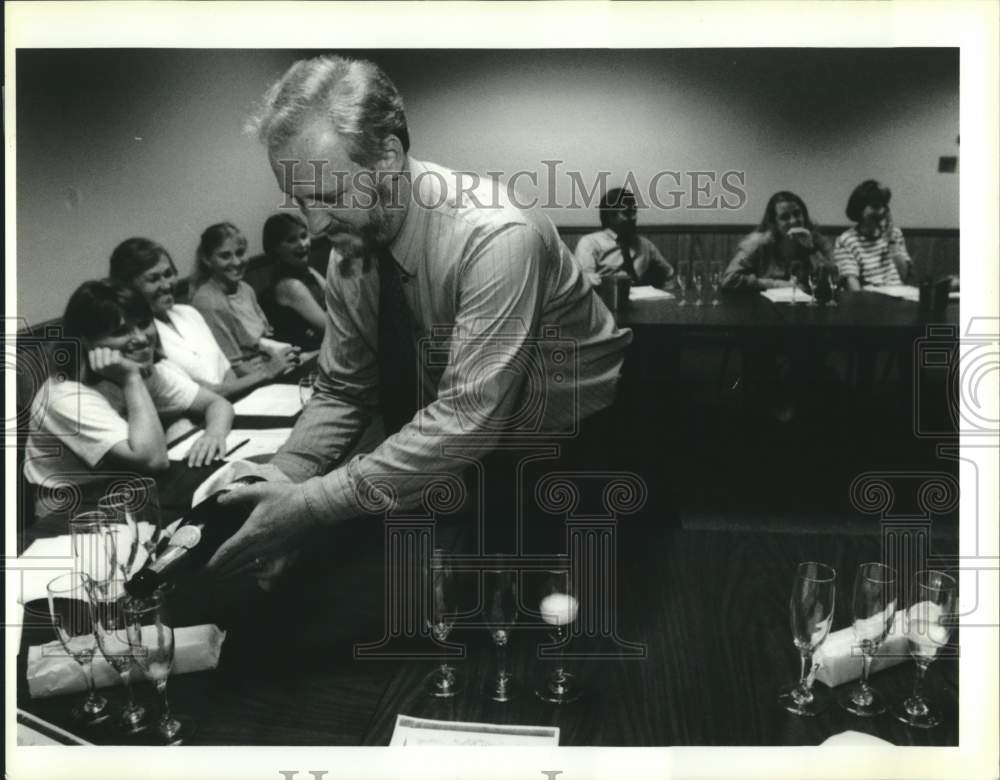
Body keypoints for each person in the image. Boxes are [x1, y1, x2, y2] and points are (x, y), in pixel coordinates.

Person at [206, 55, 633, 582]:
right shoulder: (352, 242)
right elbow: (344, 388)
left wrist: (309, 507)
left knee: (542, 626)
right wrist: (281, 481)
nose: (314, 226)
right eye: (299, 200)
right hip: (466, 442)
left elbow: (465, 420)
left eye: (330, 196)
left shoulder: (495, 235)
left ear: (388, 155)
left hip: (569, 442)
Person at [23, 280, 234, 519]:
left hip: (128, 488)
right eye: (120, 332)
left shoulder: (140, 365)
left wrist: (214, 433)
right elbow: (154, 461)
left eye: (144, 324)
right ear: (86, 341)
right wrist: (131, 379)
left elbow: (217, 403)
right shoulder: (66, 395)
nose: (142, 339)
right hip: (71, 510)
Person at [109, 237, 299, 398]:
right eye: (153, 279)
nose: (166, 285)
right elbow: (198, 394)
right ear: (128, 286)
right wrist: (265, 374)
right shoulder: (141, 337)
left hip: (237, 402)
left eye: (168, 274)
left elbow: (227, 373)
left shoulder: (188, 313)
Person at [190, 222, 301, 376]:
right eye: (225, 256)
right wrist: (274, 367)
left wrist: (289, 355)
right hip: (249, 379)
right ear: (207, 260)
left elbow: (264, 340)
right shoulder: (207, 301)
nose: (236, 262)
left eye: (240, 253)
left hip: (270, 363)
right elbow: (233, 367)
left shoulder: (245, 288)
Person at [721, 191, 833, 291]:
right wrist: (776, 284)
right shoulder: (757, 244)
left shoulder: (817, 241)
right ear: (774, 223)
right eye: (785, 217)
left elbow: (832, 282)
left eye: (797, 213)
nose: (793, 221)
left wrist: (811, 249)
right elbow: (729, 279)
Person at [573, 187, 675, 288]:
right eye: (627, 213)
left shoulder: (644, 245)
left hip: (641, 300)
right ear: (610, 216)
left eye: (634, 212)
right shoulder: (590, 243)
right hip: (606, 300)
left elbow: (669, 275)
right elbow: (584, 282)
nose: (633, 218)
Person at [258, 213, 327, 350]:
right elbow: (329, 328)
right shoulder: (290, 287)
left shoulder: (310, 272)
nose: (302, 244)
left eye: (304, 236)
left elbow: (337, 303)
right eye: (291, 240)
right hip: (310, 354)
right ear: (275, 249)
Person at [834, 179, 913, 290]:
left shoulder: (895, 234)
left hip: (898, 294)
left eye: (884, 206)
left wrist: (891, 242)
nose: (881, 212)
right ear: (860, 209)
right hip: (869, 299)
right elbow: (851, 281)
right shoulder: (846, 240)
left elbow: (904, 276)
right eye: (875, 206)